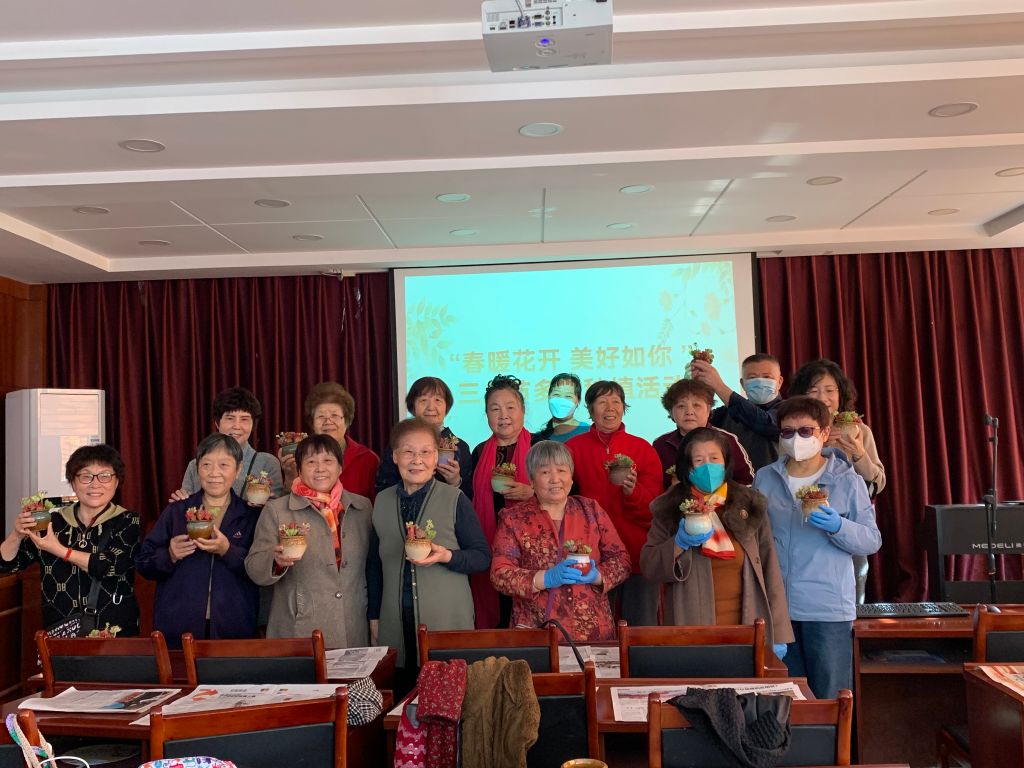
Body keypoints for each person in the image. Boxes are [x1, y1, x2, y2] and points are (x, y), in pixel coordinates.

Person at [753, 397, 881, 699]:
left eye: (806, 431)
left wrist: (838, 526)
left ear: (824, 433)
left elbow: (871, 540)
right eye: (787, 432)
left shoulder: (848, 480)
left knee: (829, 698)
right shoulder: (765, 478)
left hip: (827, 608)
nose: (796, 439)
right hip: (778, 609)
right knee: (784, 699)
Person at [640, 428, 793, 654]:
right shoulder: (670, 507)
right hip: (691, 626)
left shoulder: (749, 503)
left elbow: (770, 567)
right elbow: (649, 566)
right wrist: (679, 543)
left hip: (748, 625)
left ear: (726, 462)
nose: (708, 467)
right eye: (699, 461)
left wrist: (778, 632)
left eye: (714, 459)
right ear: (688, 467)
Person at [368, 418, 490, 685]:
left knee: (447, 697)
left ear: (436, 458)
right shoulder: (381, 501)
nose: (417, 460)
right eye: (408, 452)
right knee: (400, 696)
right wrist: (374, 616)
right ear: (395, 456)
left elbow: (482, 557)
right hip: (395, 622)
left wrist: (447, 556)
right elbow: (374, 565)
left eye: (425, 452)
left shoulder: (455, 499)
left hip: (446, 621)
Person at [490, 441, 630, 642]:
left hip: (592, 633)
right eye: (545, 472)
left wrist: (598, 576)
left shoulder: (591, 511)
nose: (555, 479)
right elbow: (499, 574)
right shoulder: (513, 519)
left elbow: (622, 560)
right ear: (531, 480)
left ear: (571, 478)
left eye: (562, 470)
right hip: (537, 630)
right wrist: (545, 578)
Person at [246, 434, 373, 649]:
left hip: (353, 626)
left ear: (340, 467)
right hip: (300, 629)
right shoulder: (277, 510)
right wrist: (275, 561)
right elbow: (254, 569)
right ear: (299, 469)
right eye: (311, 462)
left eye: (328, 461)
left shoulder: (362, 508)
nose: (320, 468)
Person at [1, 444, 140, 636]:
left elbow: (110, 566)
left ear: (116, 482)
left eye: (105, 476)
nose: (95, 484)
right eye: (86, 476)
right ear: (73, 482)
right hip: (60, 632)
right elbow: (8, 565)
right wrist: (16, 534)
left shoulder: (128, 521)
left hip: (114, 633)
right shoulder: (52, 523)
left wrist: (59, 550)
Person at [137, 433, 259, 648]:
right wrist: (170, 555)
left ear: (238, 469)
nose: (214, 473)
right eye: (206, 465)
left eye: (224, 465)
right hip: (178, 625)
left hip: (233, 625)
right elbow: (143, 563)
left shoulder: (250, 516)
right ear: (197, 468)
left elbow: (260, 570)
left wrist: (227, 550)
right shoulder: (177, 511)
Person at [566, 380, 662, 627]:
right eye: (602, 402)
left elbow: (654, 511)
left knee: (640, 630)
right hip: (592, 559)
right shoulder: (572, 449)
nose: (610, 408)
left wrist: (632, 492)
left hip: (637, 556)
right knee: (595, 629)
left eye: (616, 402)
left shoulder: (642, 449)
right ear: (590, 410)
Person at [790, 358, 886, 604]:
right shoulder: (796, 431)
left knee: (851, 593)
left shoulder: (859, 431)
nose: (822, 397)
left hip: (849, 523)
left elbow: (878, 482)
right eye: (813, 390)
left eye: (829, 390)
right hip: (804, 523)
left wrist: (859, 454)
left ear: (840, 394)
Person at [470, 374, 536, 628]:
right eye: (495, 409)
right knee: (495, 610)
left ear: (523, 411)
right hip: (489, 543)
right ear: (486, 414)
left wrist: (532, 493)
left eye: (510, 407)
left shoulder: (539, 446)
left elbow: (566, 492)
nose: (503, 415)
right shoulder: (478, 452)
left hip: (530, 548)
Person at [170, 386, 284, 502]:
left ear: (253, 425)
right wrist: (180, 503)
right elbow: (189, 507)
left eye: (244, 419)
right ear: (217, 423)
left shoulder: (267, 463)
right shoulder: (195, 465)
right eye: (230, 418)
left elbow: (277, 506)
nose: (236, 426)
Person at [280, 381, 380, 501]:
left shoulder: (368, 459)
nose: (328, 421)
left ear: (347, 420)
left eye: (334, 415)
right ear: (312, 422)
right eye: (321, 416)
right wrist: (290, 476)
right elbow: (287, 505)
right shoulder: (299, 455)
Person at [374, 376, 474, 496]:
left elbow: (471, 496)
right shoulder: (399, 443)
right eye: (423, 400)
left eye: (437, 400)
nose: (431, 407)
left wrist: (455, 482)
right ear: (413, 407)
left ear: (446, 406)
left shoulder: (460, 447)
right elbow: (382, 487)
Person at [690, 353, 786, 470]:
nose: (760, 382)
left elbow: (765, 423)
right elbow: (697, 423)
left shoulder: (789, 411)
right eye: (752, 378)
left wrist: (719, 385)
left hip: (773, 480)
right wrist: (696, 389)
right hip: (735, 480)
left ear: (779, 382)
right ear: (742, 383)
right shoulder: (727, 412)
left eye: (767, 377)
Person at [652, 379, 755, 488]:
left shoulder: (727, 439)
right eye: (681, 406)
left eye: (696, 405)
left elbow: (747, 482)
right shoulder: (661, 444)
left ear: (708, 410)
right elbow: (654, 487)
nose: (689, 412)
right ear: (670, 412)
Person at [532, 373, 590, 443]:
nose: (562, 400)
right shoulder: (539, 438)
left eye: (568, 396)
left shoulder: (588, 431)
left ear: (578, 401)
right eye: (556, 394)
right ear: (549, 397)